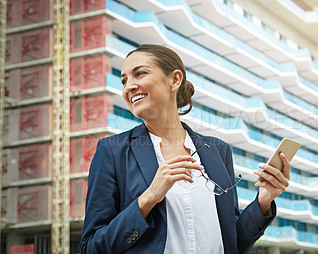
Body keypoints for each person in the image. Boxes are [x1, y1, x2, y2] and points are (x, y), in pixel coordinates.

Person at [79, 44, 291, 254]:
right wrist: (148, 198)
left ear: (175, 79)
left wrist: (263, 202)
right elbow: (92, 247)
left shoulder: (217, 150)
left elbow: (231, 242)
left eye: (140, 74)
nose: (129, 86)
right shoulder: (112, 152)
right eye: (124, 80)